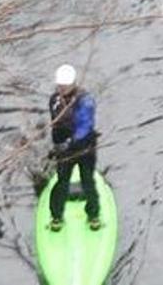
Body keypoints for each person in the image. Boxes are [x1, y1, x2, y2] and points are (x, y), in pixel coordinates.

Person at [47, 64, 101, 231]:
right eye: (60, 86)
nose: (62, 88)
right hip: (64, 150)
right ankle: (56, 217)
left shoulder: (85, 101)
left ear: (73, 84)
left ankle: (93, 216)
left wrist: (69, 143)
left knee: (87, 182)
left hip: (84, 149)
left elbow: (85, 126)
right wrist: (57, 147)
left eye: (65, 86)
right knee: (62, 182)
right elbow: (57, 125)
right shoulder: (54, 100)